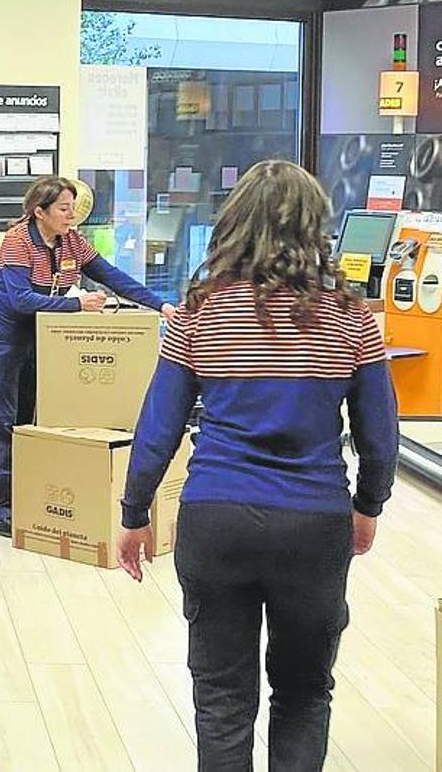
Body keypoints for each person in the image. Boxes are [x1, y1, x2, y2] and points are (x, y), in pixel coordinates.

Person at [117, 160, 399, 771]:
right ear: (314, 226)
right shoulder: (352, 318)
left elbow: (158, 427)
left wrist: (133, 513)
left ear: (234, 223)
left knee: (221, 694)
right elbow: (380, 436)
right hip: (314, 522)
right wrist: (368, 506)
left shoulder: (198, 312)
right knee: (303, 692)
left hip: (216, 520)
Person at [0, 176, 174, 537]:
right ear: (40, 212)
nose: (71, 216)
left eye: (73, 209)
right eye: (64, 209)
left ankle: (24, 499)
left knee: (28, 419)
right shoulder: (17, 241)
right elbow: (20, 300)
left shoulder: (72, 241)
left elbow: (111, 276)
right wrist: (76, 304)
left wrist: (161, 305)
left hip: (39, 334)